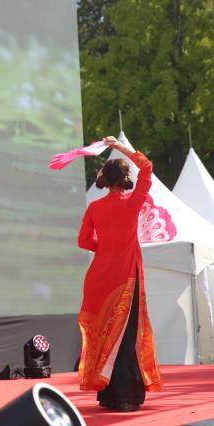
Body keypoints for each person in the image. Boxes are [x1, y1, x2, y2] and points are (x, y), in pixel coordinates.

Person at [77, 136, 163, 412]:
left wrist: (105, 247)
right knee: (126, 336)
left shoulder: (94, 207)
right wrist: (119, 146)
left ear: (105, 179)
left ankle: (108, 394)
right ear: (125, 178)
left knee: (105, 334)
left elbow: (83, 241)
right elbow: (147, 168)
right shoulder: (131, 203)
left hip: (99, 277)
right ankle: (125, 395)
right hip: (125, 275)